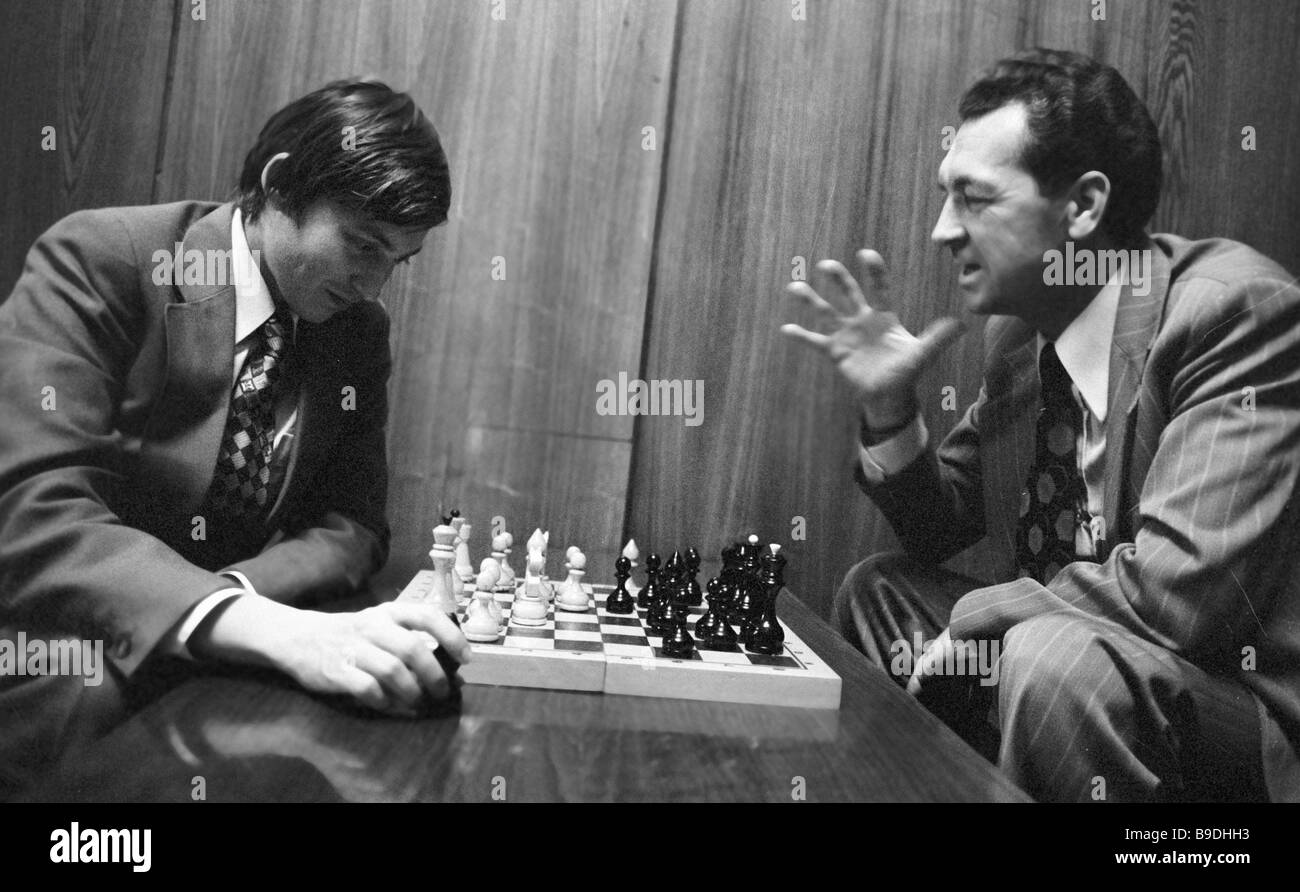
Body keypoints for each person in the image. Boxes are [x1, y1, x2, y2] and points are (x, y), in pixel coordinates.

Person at [782, 49, 1300, 802]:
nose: (940, 231)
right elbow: (939, 530)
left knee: (1052, 657)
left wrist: (980, 618)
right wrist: (891, 408)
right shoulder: (1025, 341)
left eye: (973, 199)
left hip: (1240, 719)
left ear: (1084, 207)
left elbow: (1177, 599)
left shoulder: (1233, 310)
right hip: (1077, 663)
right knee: (880, 592)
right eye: (943, 196)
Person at [0, 79, 471, 797]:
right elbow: (31, 510)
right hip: (57, 654)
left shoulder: (353, 330)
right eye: (361, 244)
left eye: (396, 262)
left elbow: (350, 524)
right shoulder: (106, 258)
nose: (374, 286)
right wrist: (260, 627)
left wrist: (234, 601)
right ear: (280, 185)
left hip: (216, 665)